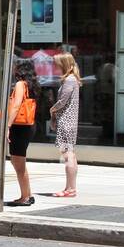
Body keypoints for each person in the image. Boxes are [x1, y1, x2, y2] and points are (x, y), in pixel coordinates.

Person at [5, 58, 38, 207]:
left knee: (18, 162)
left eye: (15, 67)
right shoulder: (32, 85)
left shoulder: (20, 84)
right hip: (28, 125)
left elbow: (16, 105)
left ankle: (25, 196)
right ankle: (27, 194)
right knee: (19, 161)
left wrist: (8, 125)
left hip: (19, 126)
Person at [49, 52, 82, 198]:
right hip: (69, 122)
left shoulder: (69, 80)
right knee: (71, 155)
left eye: (56, 64)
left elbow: (62, 101)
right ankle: (70, 188)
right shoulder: (72, 79)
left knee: (68, 155)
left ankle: (70, 189)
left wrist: (52, 109)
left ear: (63, 65)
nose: (54, 67)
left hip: (66, 122)